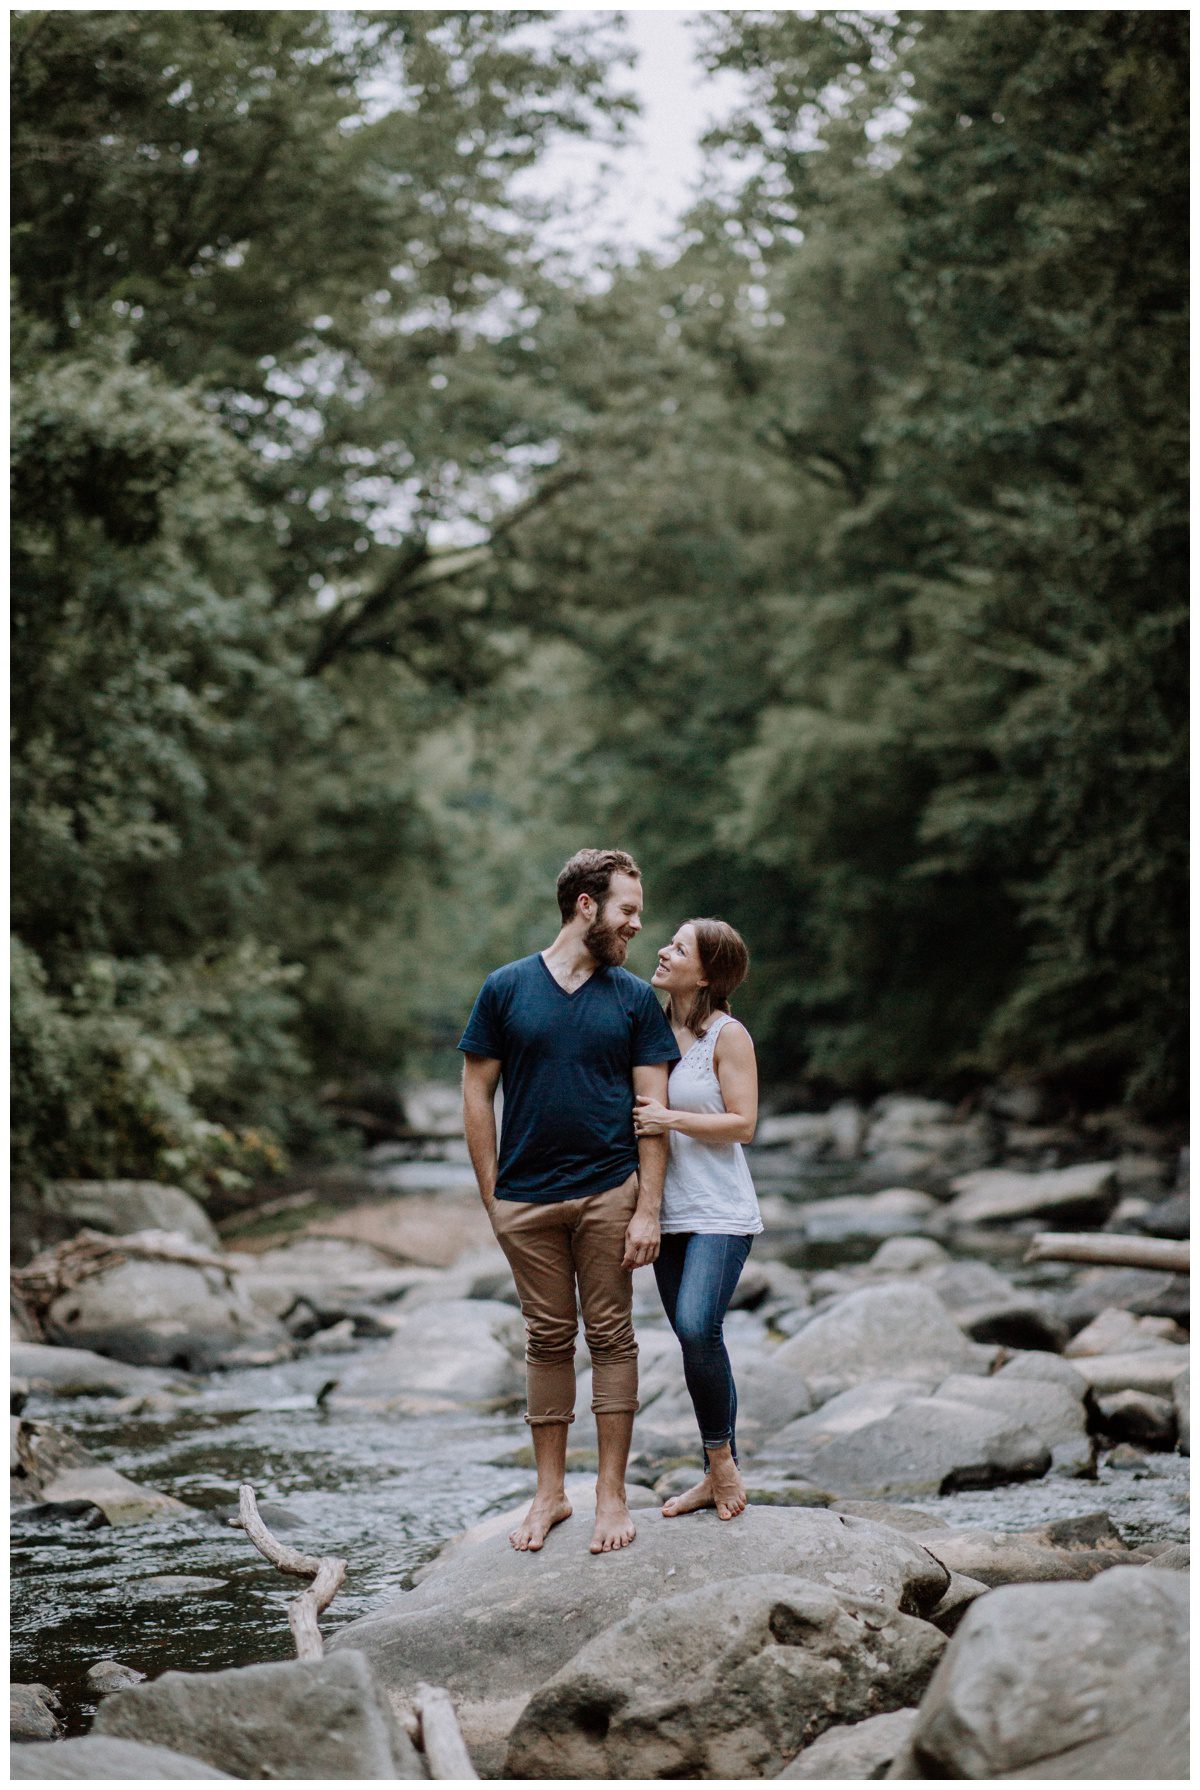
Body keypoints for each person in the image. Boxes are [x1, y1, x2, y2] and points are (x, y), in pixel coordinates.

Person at [459, 848, 680, 1555]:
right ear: (586, 905)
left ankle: (610, 1494)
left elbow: (654, 1109)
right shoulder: (505, 988)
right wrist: (493, 1196)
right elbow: (475, 1091)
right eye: (626, 911)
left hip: (609, 1191)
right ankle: (550, 1493)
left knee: (612, 1339)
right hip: (525, 1200)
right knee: (547, 1340)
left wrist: (647, 1207)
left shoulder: (634, 999)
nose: (636, 925)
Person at [633, 917, 762, 1521]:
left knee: (695, 1326)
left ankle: (722, 1466)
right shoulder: (649, 1030)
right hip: (669, 1212)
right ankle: (718, 1471)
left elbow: (744, 1124)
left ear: (706, 972)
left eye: (679, 947)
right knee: (696, 1337)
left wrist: (670, 1119)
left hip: (721, 1212)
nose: (662, 950)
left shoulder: (726, 1036)